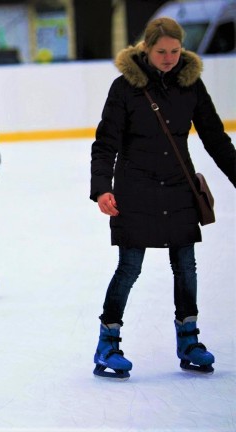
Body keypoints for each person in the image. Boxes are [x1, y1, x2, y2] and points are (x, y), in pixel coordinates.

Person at [90, 17, 236, 379]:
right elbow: (105, 142)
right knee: (130, 267)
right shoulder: (124, 87)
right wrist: (101, 188)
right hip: (135, 187)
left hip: (177, 185)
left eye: (174, 51)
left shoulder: (191, 84)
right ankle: (107, 343)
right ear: (146, 49)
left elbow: (215, 138)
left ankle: (189, 340)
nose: (169, 58)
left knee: (186, 266)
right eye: (161, 52)